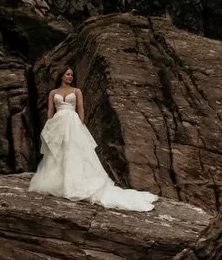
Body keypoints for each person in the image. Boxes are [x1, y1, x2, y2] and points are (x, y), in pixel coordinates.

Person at [28, 67, 158, 212]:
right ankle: (59, 181)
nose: (70, 77)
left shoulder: (77, 91)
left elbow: (81, 109)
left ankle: (74, 182)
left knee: (74, 151)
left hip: (73, 123)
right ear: (61, 76)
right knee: (59, 151)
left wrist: (80, 124)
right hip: (58, 123)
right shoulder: (53, 93)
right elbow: (50, 112)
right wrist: (50, 127)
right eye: (68, 74)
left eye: (72, 75)